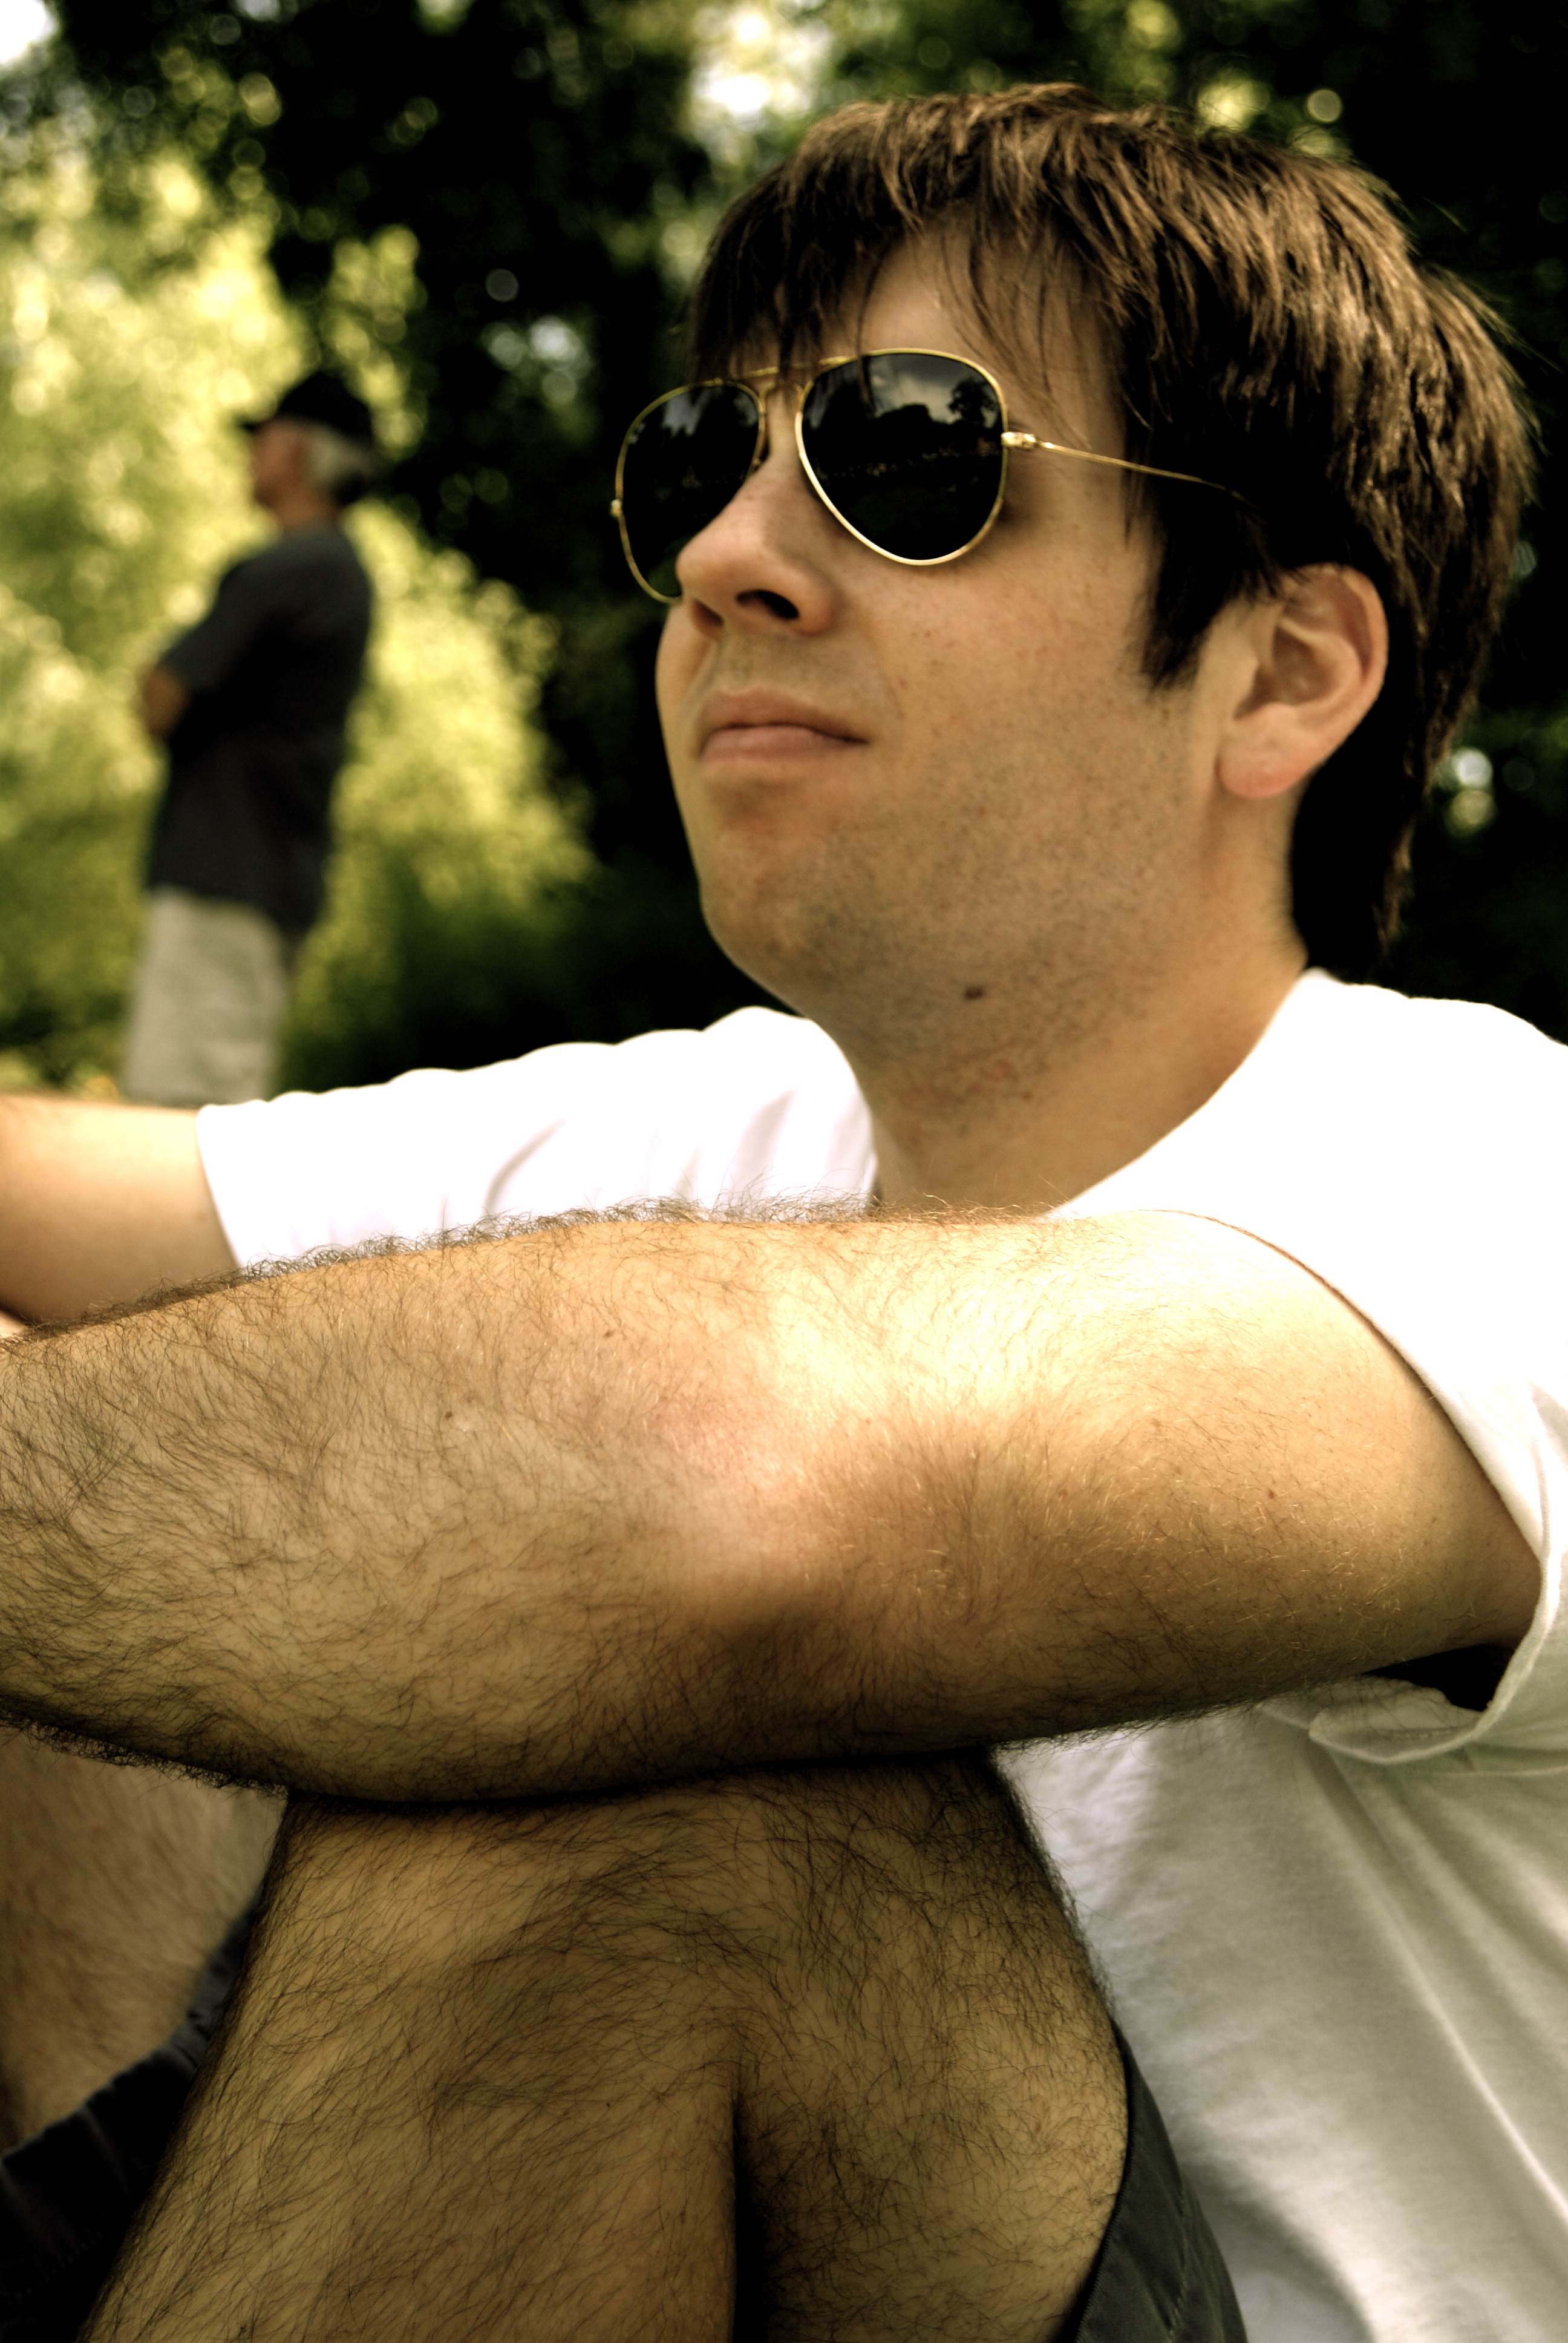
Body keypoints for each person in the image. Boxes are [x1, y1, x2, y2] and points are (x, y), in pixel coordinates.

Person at [0, 80, 1556, 2343]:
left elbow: (724, 1507)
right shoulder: (730, 1127)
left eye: (904, 455)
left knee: (663, 1779)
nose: (732, 550)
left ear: (1280, 670)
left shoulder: (1487, 1177)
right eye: (696, 466)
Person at [119, 371, 377, 1108]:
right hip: (261, 882)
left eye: (264, 438)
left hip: (222, 884)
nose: (251, 454)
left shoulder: (289, 568)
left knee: (175, 1120)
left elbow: (162, 698)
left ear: (299, 452)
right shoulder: (341, 574)